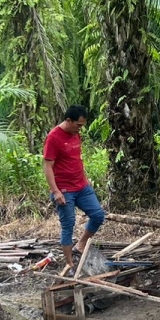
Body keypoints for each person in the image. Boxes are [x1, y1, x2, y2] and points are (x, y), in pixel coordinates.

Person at [43, 105, 106, 269]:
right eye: (78, 125)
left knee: (98, 215)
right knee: (68, 226)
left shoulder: (75, 134)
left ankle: (81, 244)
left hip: (81, 186)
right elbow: (48, 166)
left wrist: (85, 179)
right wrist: (56, 191)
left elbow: (75, 159)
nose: (80, 129)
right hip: (64, 190)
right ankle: (70, 264)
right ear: (68, 120)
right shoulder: (53, 137)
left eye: (82, 126)